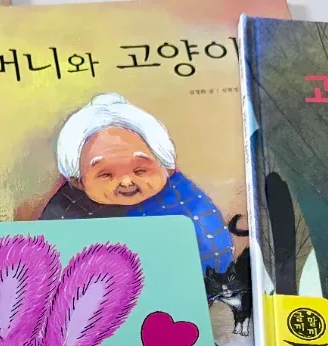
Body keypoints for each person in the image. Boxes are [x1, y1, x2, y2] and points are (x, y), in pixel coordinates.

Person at [40, 93, 235, 277]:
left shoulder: (188, 205)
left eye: (140, 170)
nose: (126, 182)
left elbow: (214, 257)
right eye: (106, 174)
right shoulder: (65, 211)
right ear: (78, 181)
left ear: (167, 168)